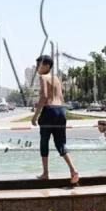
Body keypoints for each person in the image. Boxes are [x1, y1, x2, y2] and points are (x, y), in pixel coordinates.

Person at [30, 55, 79, 184]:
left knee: (44, 142)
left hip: (49, 111)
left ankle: (45, 173)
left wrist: (35, 116)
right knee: (61, 143)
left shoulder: (43, 77)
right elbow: (61, 97)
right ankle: (73, 170)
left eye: (38, 65)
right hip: (60, 111)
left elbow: (44, 96)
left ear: (46, 66)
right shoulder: (56, 78)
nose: (36, 68)